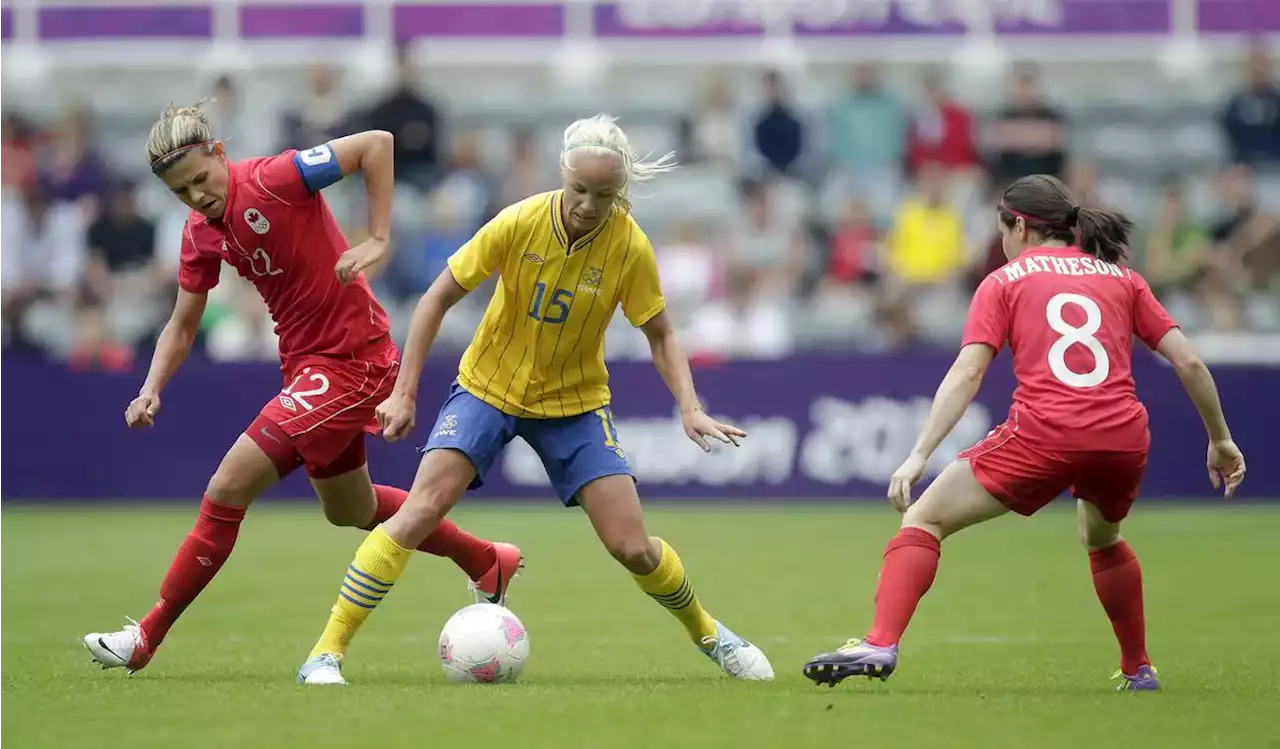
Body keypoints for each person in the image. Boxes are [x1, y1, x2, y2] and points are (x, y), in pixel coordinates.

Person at [295, 114, 775, 686]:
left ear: (618, 191)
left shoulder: (629, 246)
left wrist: (690, 407)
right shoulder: (519, 221)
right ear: (562, 176)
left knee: (633, 548)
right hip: (487, 387)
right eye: (579, 190)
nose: (589, 205)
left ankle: (710, 634)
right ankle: (326, 653)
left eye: (604, 194)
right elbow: (434, 299)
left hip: (574, 404)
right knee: (421, 510)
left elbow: (662, 332)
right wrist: (404, 393)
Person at [83, 103, 522, 674]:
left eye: (199, 179)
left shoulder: (275, 177)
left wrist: (379, 238)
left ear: (220, 155)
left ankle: (145, 637)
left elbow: (377, 144)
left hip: (352, 359)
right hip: (308, 366)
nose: (195, 196)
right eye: (180, 192)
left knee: (227, 487)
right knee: (351, 509)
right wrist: (151, 387)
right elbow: (183, 322)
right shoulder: (199, 233)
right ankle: (487, 559)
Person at [803, 174, 1246, 692]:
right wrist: (1219, 438)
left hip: (1046, 433)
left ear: (1020, 227)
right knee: (1102, 538)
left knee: (924, 518)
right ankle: (1138, 668)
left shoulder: (1005, 281)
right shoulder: (1121, 277)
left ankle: (880, 642)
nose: (1003, 242)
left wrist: (918, 454)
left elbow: (968, 373)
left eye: (1003, 230)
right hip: (1122, 436)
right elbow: (1188, 361)